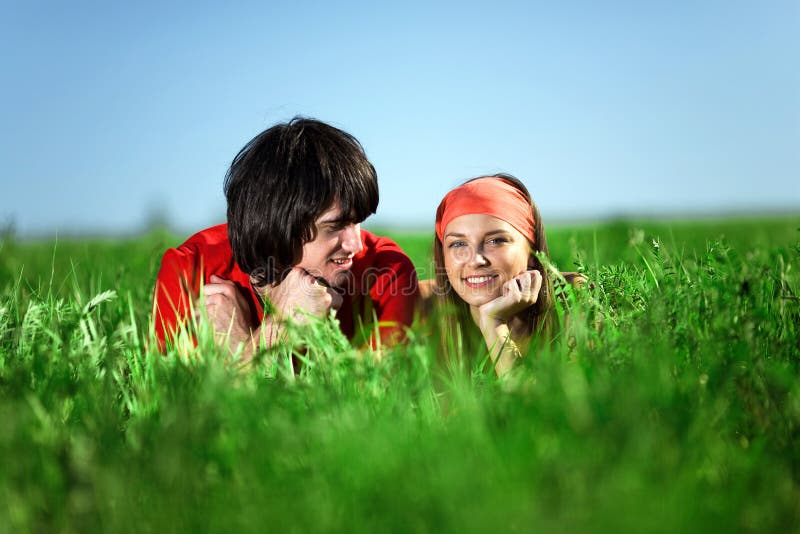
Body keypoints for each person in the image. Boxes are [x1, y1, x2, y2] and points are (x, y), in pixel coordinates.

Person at [152, 118, 419, 362]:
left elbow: (373, 409)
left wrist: (249, 349)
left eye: (357, 221)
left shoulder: (387, 271)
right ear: (280, 225)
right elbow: (174, 410)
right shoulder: (193, 272)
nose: (356, 245)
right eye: (335, 226)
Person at [421, 174, 583, 376]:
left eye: (496, 241)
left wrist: (493, 323)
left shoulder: (572, 298)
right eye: (458, 243)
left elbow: (534, 405)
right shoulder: (421, 304)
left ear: (533, 252)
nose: (475, 260)